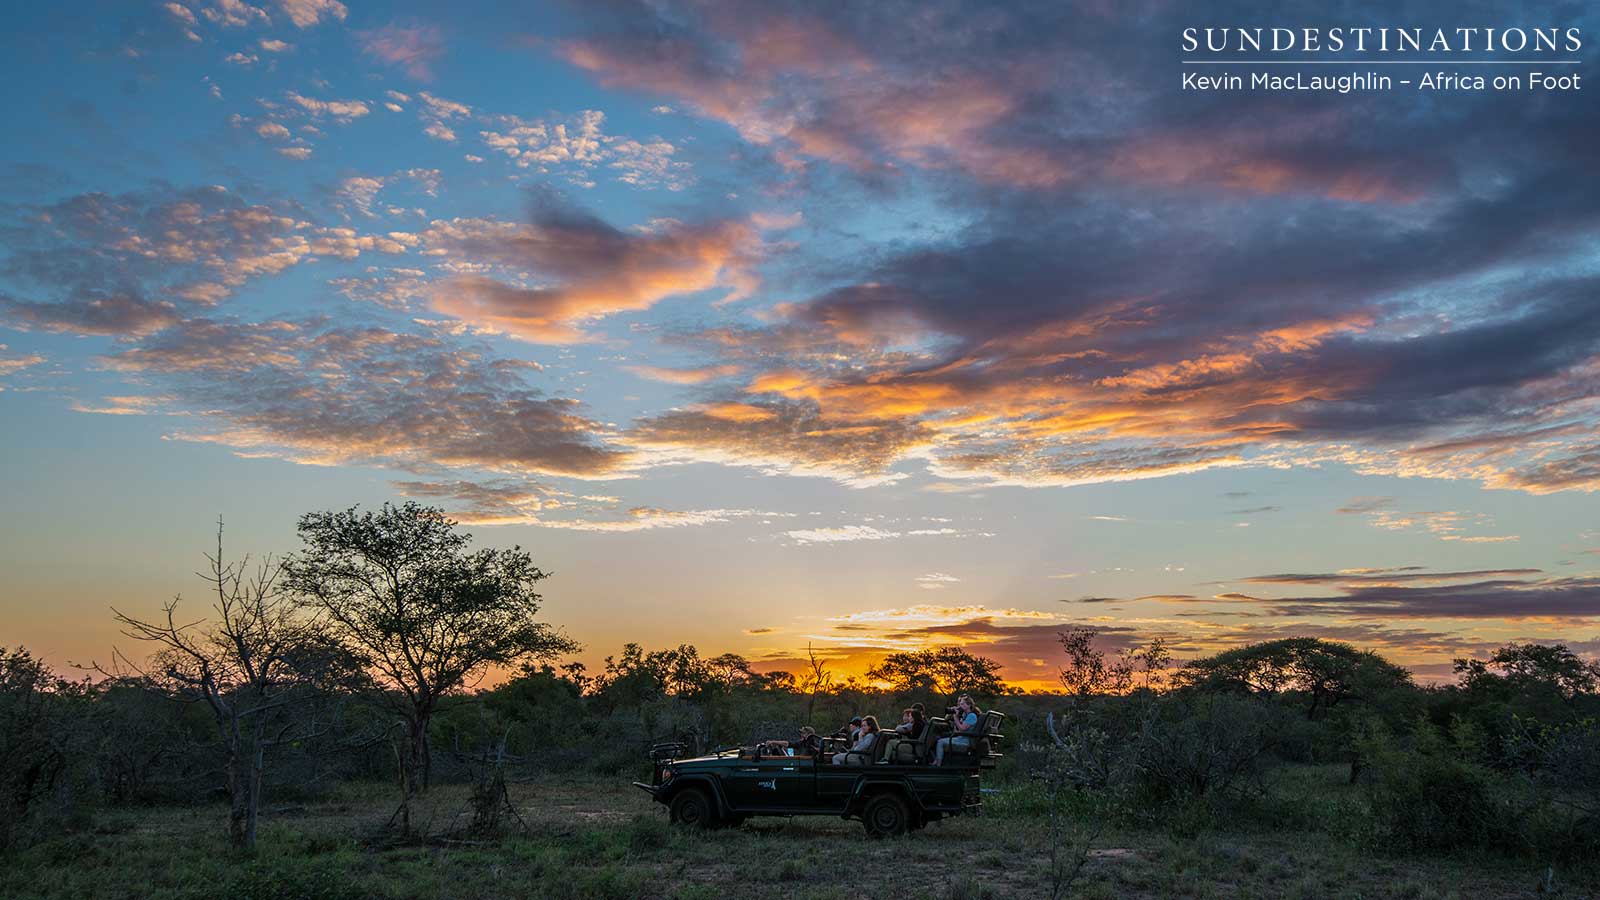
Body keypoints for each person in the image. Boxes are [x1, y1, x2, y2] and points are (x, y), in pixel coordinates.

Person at [932, 696, 981, 766]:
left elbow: (962, 728)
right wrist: (957, 717)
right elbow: (957, 731)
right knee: (939, 739)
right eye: (960, 704)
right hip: (962, 737)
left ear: (969, 705)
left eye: (963, 704)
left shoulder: (972, 716)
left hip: (966, 740)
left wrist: (955, 717)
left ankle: (938, 764)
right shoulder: (965, 715)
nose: (960, 706)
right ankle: (937, 761)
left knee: (940, 742)